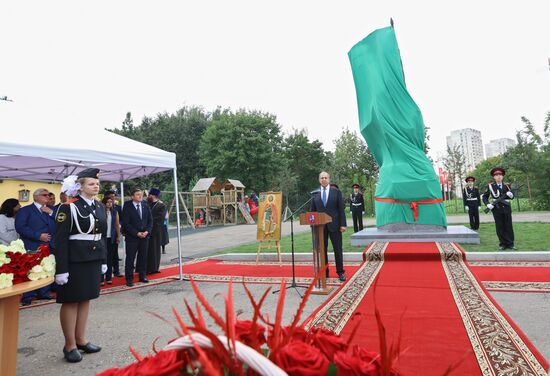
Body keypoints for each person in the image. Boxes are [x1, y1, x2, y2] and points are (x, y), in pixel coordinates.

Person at [54, 168, 107, 363]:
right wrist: (61, 269)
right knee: (71, 300)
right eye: (92, 184)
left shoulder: (99, 206)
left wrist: (103, 260)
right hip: (74, 261)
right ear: (80, 187)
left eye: (97, 184)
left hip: (92, 258)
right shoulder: (68, 207)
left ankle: (81, 339)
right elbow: (60, 240)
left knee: (86, 299)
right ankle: (69, 345)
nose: (96, 186)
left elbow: (101, 236)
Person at [15, 188, 56, 305]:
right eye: (45, 195)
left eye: (49, 195)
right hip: (33, 244)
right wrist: (38, 236)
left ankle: (44, 292)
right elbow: (20, 227)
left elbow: (61, 222)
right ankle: (28, 294)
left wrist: (51, 213)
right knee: (31, 269)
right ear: (36, 197)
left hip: (50, 244)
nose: (48, 197)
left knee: (47, 268)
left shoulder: (53, 210)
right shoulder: (25, 210)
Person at [310, 171, 347, 282]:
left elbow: (341, 209)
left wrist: (343, 224)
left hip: (335, 226)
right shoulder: (315, 194)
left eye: (326, 177)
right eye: (322, 178)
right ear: (319, 180)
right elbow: (312, 211)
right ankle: (325, 273)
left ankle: (340, 272)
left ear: (329, 179)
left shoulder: (336, 192)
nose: (324, 179)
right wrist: (313, 226)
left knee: (337, 249)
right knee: (322, 250)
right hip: (320, 228)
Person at [121, 188, 152, 287]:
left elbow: (150, 221)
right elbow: (126, 223)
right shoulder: (127, 206)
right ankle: (129, 279)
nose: (140, 196)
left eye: (141, 194)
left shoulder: (145, 205)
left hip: (144, 237)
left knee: (143, 257)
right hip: (132, 237)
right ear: (132, 196)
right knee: (130, 258)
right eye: (138, 194)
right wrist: (136, 233)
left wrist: (147, 231)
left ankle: (142, 276)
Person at [482, 167, 516, 250]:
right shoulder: (490, 186)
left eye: (500, 175)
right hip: (497, 209)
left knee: (508, 225)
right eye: (496, 175)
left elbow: (511, 197)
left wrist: (511, 196)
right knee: (499, 226)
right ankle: (503, 244)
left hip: (507, 208)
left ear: (503, 176)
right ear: (494, 177)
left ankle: (510, 244)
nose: (498, 177)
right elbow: (484, 197)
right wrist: (487, 205)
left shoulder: (507, 186)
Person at [101, 196, 121, 284]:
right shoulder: (100, 212)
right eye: (108, 202)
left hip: (111, 237)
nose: (109, 203)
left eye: (111, 202)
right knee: (102, 257)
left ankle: (109, 278)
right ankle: (101, 278)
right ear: (104, 203)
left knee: (110, 258)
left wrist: (118, 236)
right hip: (102, 238)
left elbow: (117, 225)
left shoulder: (114, 212)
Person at [146, 188, 166, 274]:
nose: (148, 196)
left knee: (155, 250)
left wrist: (150, 222)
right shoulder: (147, 204)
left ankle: (154, 268)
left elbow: (160, 219)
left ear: (153, 195)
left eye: (149, 195)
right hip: (146, 230)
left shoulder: (161, 206)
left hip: (156, 231)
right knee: (147, 250)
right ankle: (147, 268)